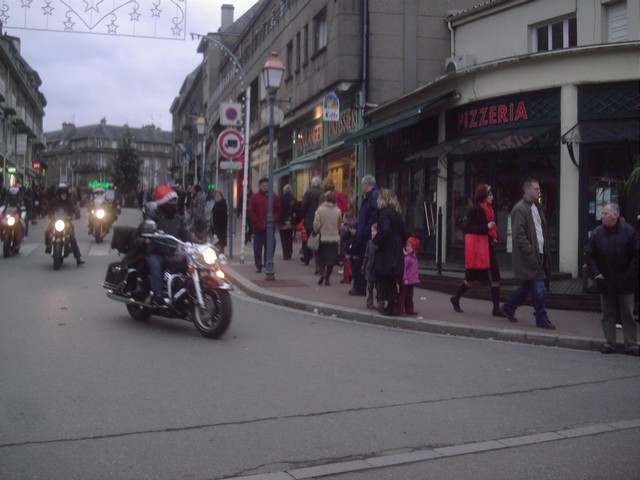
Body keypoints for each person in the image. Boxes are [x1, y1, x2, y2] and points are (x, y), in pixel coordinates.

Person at [500, 178, 555, 330]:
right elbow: (519, 236)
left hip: (540, 252)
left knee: (528, 286)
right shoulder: (520, 209)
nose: (538, 191)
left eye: (539, 189)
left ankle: (509, 306)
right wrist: (530, 253)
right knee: (539, 285)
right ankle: (541, 317)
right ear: (527, 190)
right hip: (531, 255)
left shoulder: (537, 208)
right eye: (535, 189)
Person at [586, 203, 639, 356]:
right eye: (602, 214)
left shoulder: (629, 232)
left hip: (625, 279)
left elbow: (636, 255)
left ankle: (631, 344)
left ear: (615, 215)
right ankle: (610, 343)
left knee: (627, 313)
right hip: (605, 279)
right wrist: (597, 274)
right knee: (607, 313)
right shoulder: (597, 233)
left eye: (605, 213)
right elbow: (590, 255)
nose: (602, 216)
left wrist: (629, 274)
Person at [450, 184, 506, 317]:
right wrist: (486, 227)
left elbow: (491, 229)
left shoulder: (489, 210)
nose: (492, 197)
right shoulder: (474, 211)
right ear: (484, 196)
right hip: (479, 250)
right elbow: (469, 229)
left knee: (495, 278)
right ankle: (456, 297)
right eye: (490, 195)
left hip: (488, 247)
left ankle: (496, 308)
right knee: (472, 279)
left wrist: (494, 237)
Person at [144, 184, 199, 305]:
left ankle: (186, 292)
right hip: (156, 251)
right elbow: (148, 225)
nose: (174, 203)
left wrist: (200, 243)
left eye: (175, 200)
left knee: (188, 263)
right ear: (164, 202)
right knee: (155, 265)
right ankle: (157, 294)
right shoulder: (155, 215)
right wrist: (151, 232)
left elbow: (185, 234)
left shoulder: (178, 219)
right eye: (171, 200)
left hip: (172, 252)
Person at [373, 188, 407, 316]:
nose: (377, 200)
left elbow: (385, 230)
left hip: (387, 251)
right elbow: (404, 233)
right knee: (392, 278)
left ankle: (391, 306)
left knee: (386, 277)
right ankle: (394, 305)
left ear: (384, 199)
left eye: (379, 198)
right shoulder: (396, 214)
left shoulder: (384, 213)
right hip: (396, 250)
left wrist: (377, 241)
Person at [350, 175, 379, 296]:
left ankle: (360, 287)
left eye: (362, 185)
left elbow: (372, 216)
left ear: (367, 185)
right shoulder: (370, 197)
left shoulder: (372, 197)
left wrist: (364, 231)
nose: (362, 187)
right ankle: (358, 286)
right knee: (359, 260)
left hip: (366, 236)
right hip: (364, 234)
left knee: (362, 261)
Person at [44, 183, 85, 265]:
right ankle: (48, 245)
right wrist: (44, 211)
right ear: (58, 193)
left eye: (65, 192)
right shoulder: (54, 201)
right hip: (55, 221)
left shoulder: (69, 202)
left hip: (66, 222)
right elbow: (48, 207)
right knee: (47, 231)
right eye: (61, 192)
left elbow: (74, 208)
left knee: (72, 237)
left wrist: (77, 213)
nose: (63, 194)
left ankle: (78, 258)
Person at [247, 178, 281, 273]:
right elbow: (250, 211)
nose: (265, 187)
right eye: (263, 185)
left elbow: (278, 210)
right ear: (260, 186)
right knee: (257, 248)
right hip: (258, 228)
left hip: (270, 228)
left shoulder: (273, 197)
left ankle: (267, 261)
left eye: (267, 185)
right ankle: (258, 265)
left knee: (271, 245)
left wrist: (274, 220)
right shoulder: (254, 197)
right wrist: (256, 221)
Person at [313, 191, 342, 286]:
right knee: (331, 260)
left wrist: (318, 230)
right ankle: (327, 279)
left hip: (323, 237)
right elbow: (339, 225)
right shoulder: (338, 211)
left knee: (321, 258)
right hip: (334, 238)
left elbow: (316, 225)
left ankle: (322, 273)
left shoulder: (320, 210)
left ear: (325, 199)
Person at [300, 176, 323, 265]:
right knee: (319, 238)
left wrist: (303, 216)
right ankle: (317, 257)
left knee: (310, 238)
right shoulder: (322, 192)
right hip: (320, 219)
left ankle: (307, 257)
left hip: (309, 219)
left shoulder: (308, 192)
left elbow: (304, 205)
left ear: (313, 183)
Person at [362, 223, 384, 310]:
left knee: (379, 287)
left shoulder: (381, 244)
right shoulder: (369, 242)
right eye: (371, 231)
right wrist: (364, 266)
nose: (372, 233)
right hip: (370, 268)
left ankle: (380, 302)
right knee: (369, 287)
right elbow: (366, 256)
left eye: (374, 231)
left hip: (377, 268)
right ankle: (369, 302)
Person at [399, 236, 420, 316]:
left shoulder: (413, 257)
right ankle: (401, 309)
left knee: (409, 295)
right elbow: (404, 269)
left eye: (410, 246)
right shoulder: (407, 258)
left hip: (411, 279)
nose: (408, 248)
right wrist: (404, 278)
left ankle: (409, 309)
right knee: (403, 294)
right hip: (407, 279)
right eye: (407, 246)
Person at [279, 184, 298, 260]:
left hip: (282, 221)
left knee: (283, 238)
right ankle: (290, 251)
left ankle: (285, 254)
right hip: (291, 221)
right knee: (289, 237)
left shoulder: (281, 199)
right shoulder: (294, 199)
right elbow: (297, 210)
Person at [339, 212, 355, 284]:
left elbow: (342, 237)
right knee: (349, 262)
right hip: (350, 246)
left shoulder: (344, 227)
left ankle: (347, 277)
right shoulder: (353, 226)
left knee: (346, 263)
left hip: (345, 247)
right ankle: (349, 275)